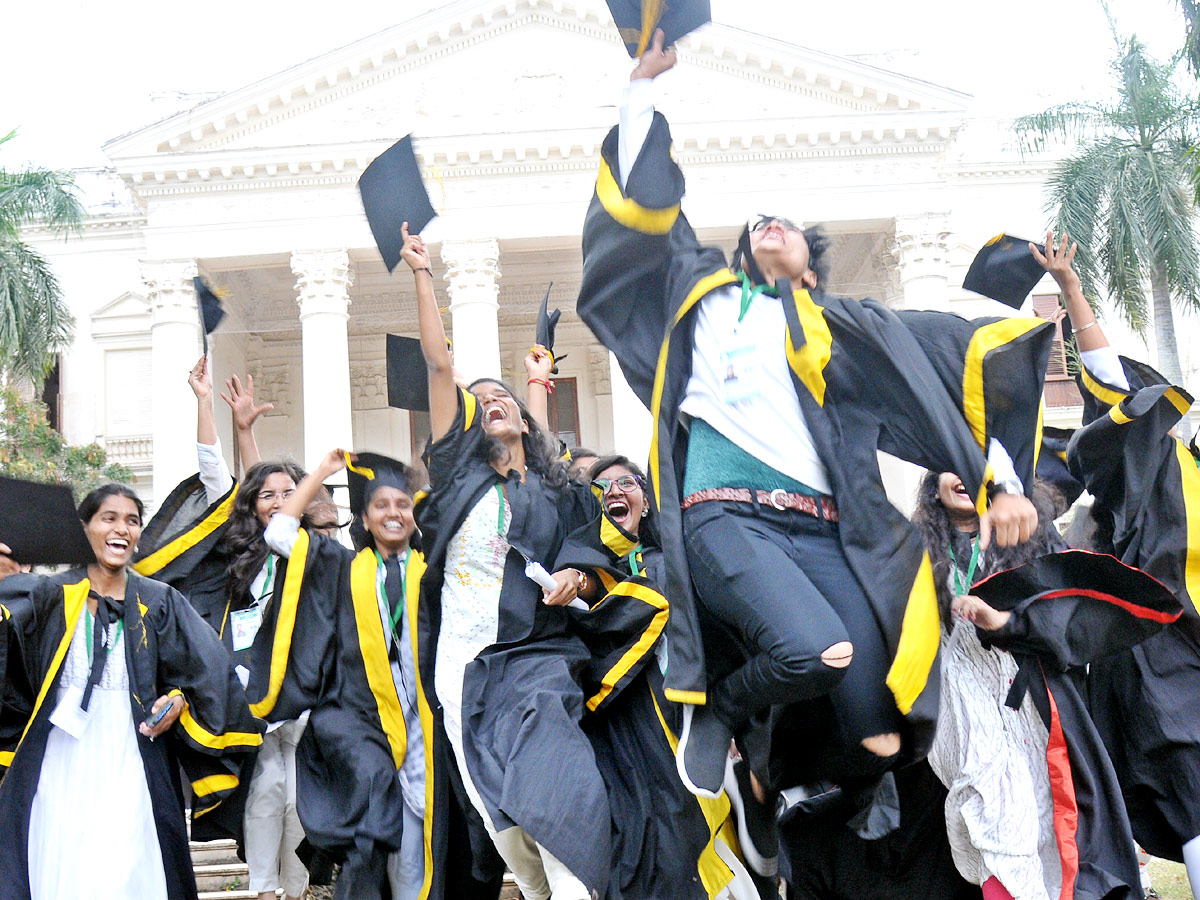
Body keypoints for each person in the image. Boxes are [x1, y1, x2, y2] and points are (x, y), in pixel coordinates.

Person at [577, 28, 1048, 868]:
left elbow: (951, 366)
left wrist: (1002, 475)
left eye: (783, 225)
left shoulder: (842, 333)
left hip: (824, 530)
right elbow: (643, 221)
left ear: (808, 257)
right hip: (727, 516)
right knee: (811, 651)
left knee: (885, 728)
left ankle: (768, 779)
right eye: (754, 225)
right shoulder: (706, 300)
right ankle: (721, 708)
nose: (767, 229)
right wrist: (640, 95)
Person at [402, 222, 607, 900]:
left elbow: (587, 549)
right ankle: (544, 888)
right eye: (480, 399)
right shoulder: (462, 481)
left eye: (504, 399)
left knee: (547, 773)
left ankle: (577, 884)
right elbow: (438, 368)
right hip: (459, 661)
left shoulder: (558, 488)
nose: (492, 401)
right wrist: (423, 277)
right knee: (493, 799)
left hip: (533, 652)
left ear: (522, 418)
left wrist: (576, 577)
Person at [0, 484, 263, 900]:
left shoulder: (160, 602)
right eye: (109, 518)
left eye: (132, 520)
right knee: (62, 866)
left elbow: (209, 674)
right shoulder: (49, 595)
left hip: (135, 756)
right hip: (60, 760)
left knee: (128, 869)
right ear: (83, 527)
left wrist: (179, 700)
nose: (121, 528)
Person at [1043, 230, 1200, 893]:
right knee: (1193, 795)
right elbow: (1114, 387)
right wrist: (1072, 291)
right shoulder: (1161, 460)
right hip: (1170, 657)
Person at [915, 469, 1149, 900]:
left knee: (1054, 838)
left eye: (974, 460)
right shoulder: (912, 554)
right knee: (992, 827)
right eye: (949, 462)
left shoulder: (1031, 539)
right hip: (965, 722)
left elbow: (1072, 620)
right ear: (933, 484)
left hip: (1036, 715)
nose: (963, 472)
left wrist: (1007, 622)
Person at [552, 454, 764, 900]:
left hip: (689, 719)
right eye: (600, 487)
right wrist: (583, 580)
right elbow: (587, 621)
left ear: (646, 500)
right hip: (623, 727)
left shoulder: (676, 557)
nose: (613, 491)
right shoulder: (577, 565)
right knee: (650, 843)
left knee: (702, 829)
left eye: (626, 482)